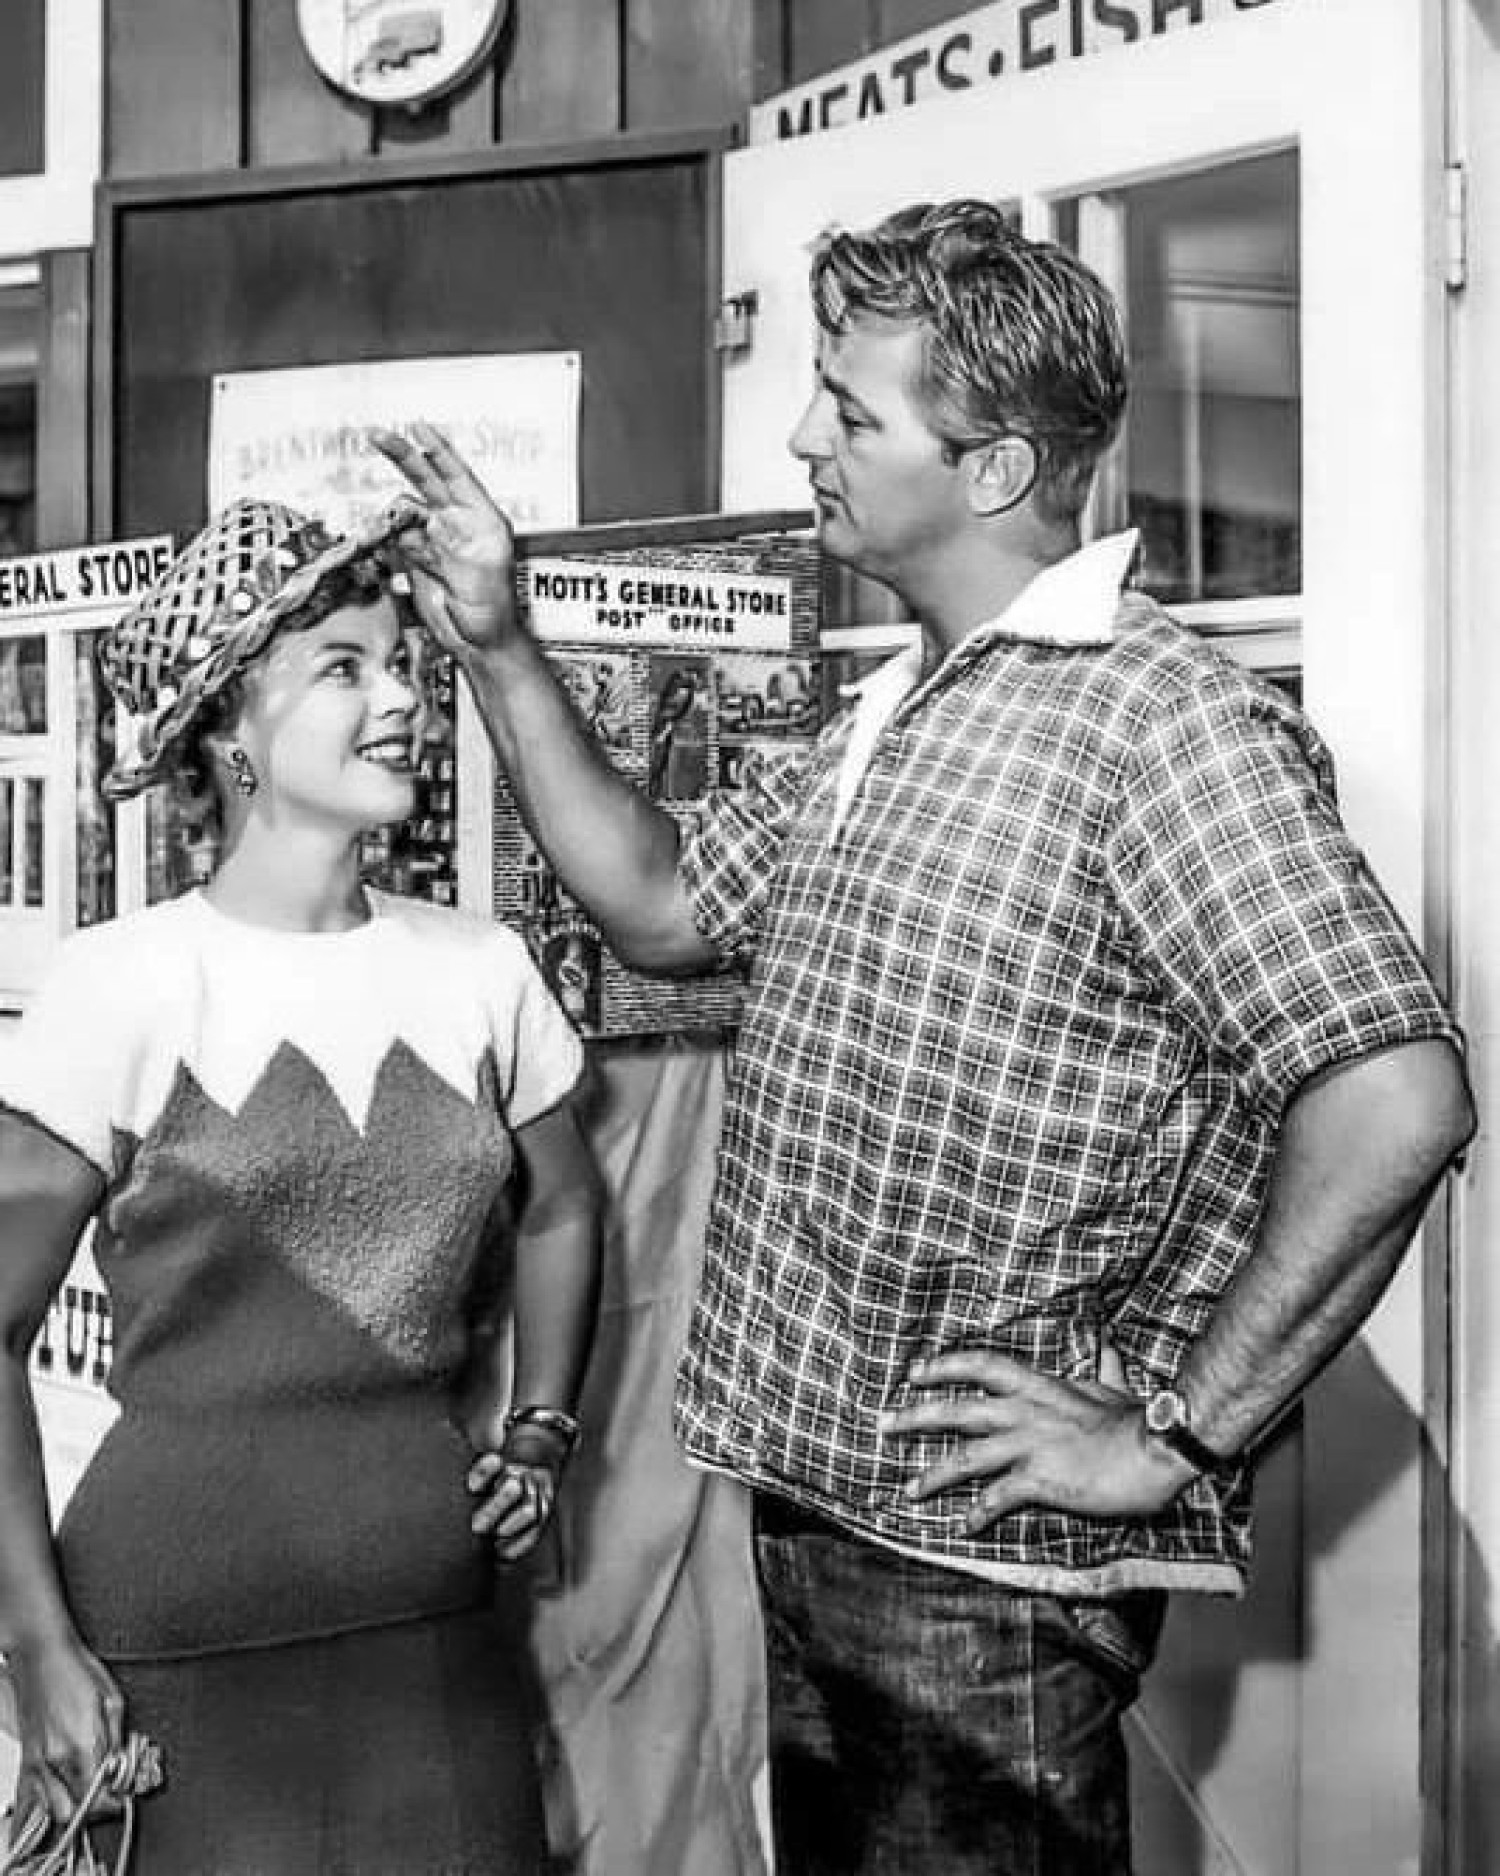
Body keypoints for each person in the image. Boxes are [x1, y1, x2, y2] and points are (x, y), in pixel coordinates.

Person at [373, 197, 1475, 1875]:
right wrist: (501, 645)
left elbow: (1396, 1100)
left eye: (852, 411)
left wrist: (1169, 1432)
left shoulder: (1162, 723)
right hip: (826, 1522)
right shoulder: (905, 702)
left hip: (979, 1587)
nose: (805, 440)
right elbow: (663, 902)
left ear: (996, 469)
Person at [0, 497, 603, 1872]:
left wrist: (543, 1430)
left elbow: (567, 1206)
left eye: (402, 664)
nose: (400, 701)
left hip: (434, 1624)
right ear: (229, 731)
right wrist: (34, 1645)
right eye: (343, 668)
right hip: (175, 1637)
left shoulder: (481, 970)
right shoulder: (122, 984)